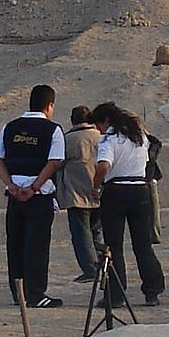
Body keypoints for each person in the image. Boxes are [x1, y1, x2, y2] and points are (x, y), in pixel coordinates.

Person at [0, 84, 66, 308]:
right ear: (49, 105)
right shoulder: (53, 130)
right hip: (38, 196)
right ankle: (35, 294)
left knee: (15, 243)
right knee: (37, 245)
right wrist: (33, 187)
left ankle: (19, 293)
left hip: (14, 196)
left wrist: (11, 186)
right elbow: (54, 162)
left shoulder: (10, 127)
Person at [91, 102, 165, 306]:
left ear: (105, 121)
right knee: (142, 244)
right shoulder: (139, 135)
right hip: (141, 190)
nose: (98, 130)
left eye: (98, 125)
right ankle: (153, 290)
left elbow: (103, 166)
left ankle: (115, 295)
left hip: (115, 191)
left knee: (113, 246)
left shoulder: (109, 139)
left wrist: (95, 186)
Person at [59, 106, 104, 282]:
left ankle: (91, 270)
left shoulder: (68, 140)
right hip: (100, 193)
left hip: (77, 194)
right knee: (97, 231)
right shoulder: (102, 137)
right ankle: (103, 265)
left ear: (72, 120)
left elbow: (57, 163)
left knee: (81, 234)